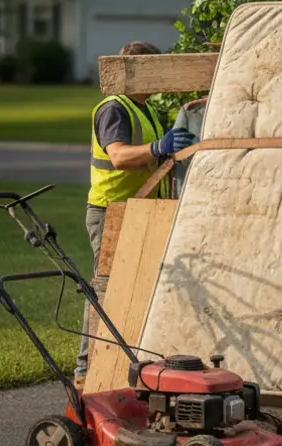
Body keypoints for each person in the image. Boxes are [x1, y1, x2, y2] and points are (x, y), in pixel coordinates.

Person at [75, 41, 196, 390]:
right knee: (107, 291)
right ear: (135, 71)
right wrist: (158, 147)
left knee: (139, 290)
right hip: (111, 212)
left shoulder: (143, 110)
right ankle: (85, 372)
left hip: (139, 211)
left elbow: (153, 158)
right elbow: (119, 157)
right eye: (153, 69)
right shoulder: (114, 108)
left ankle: (126, 366)